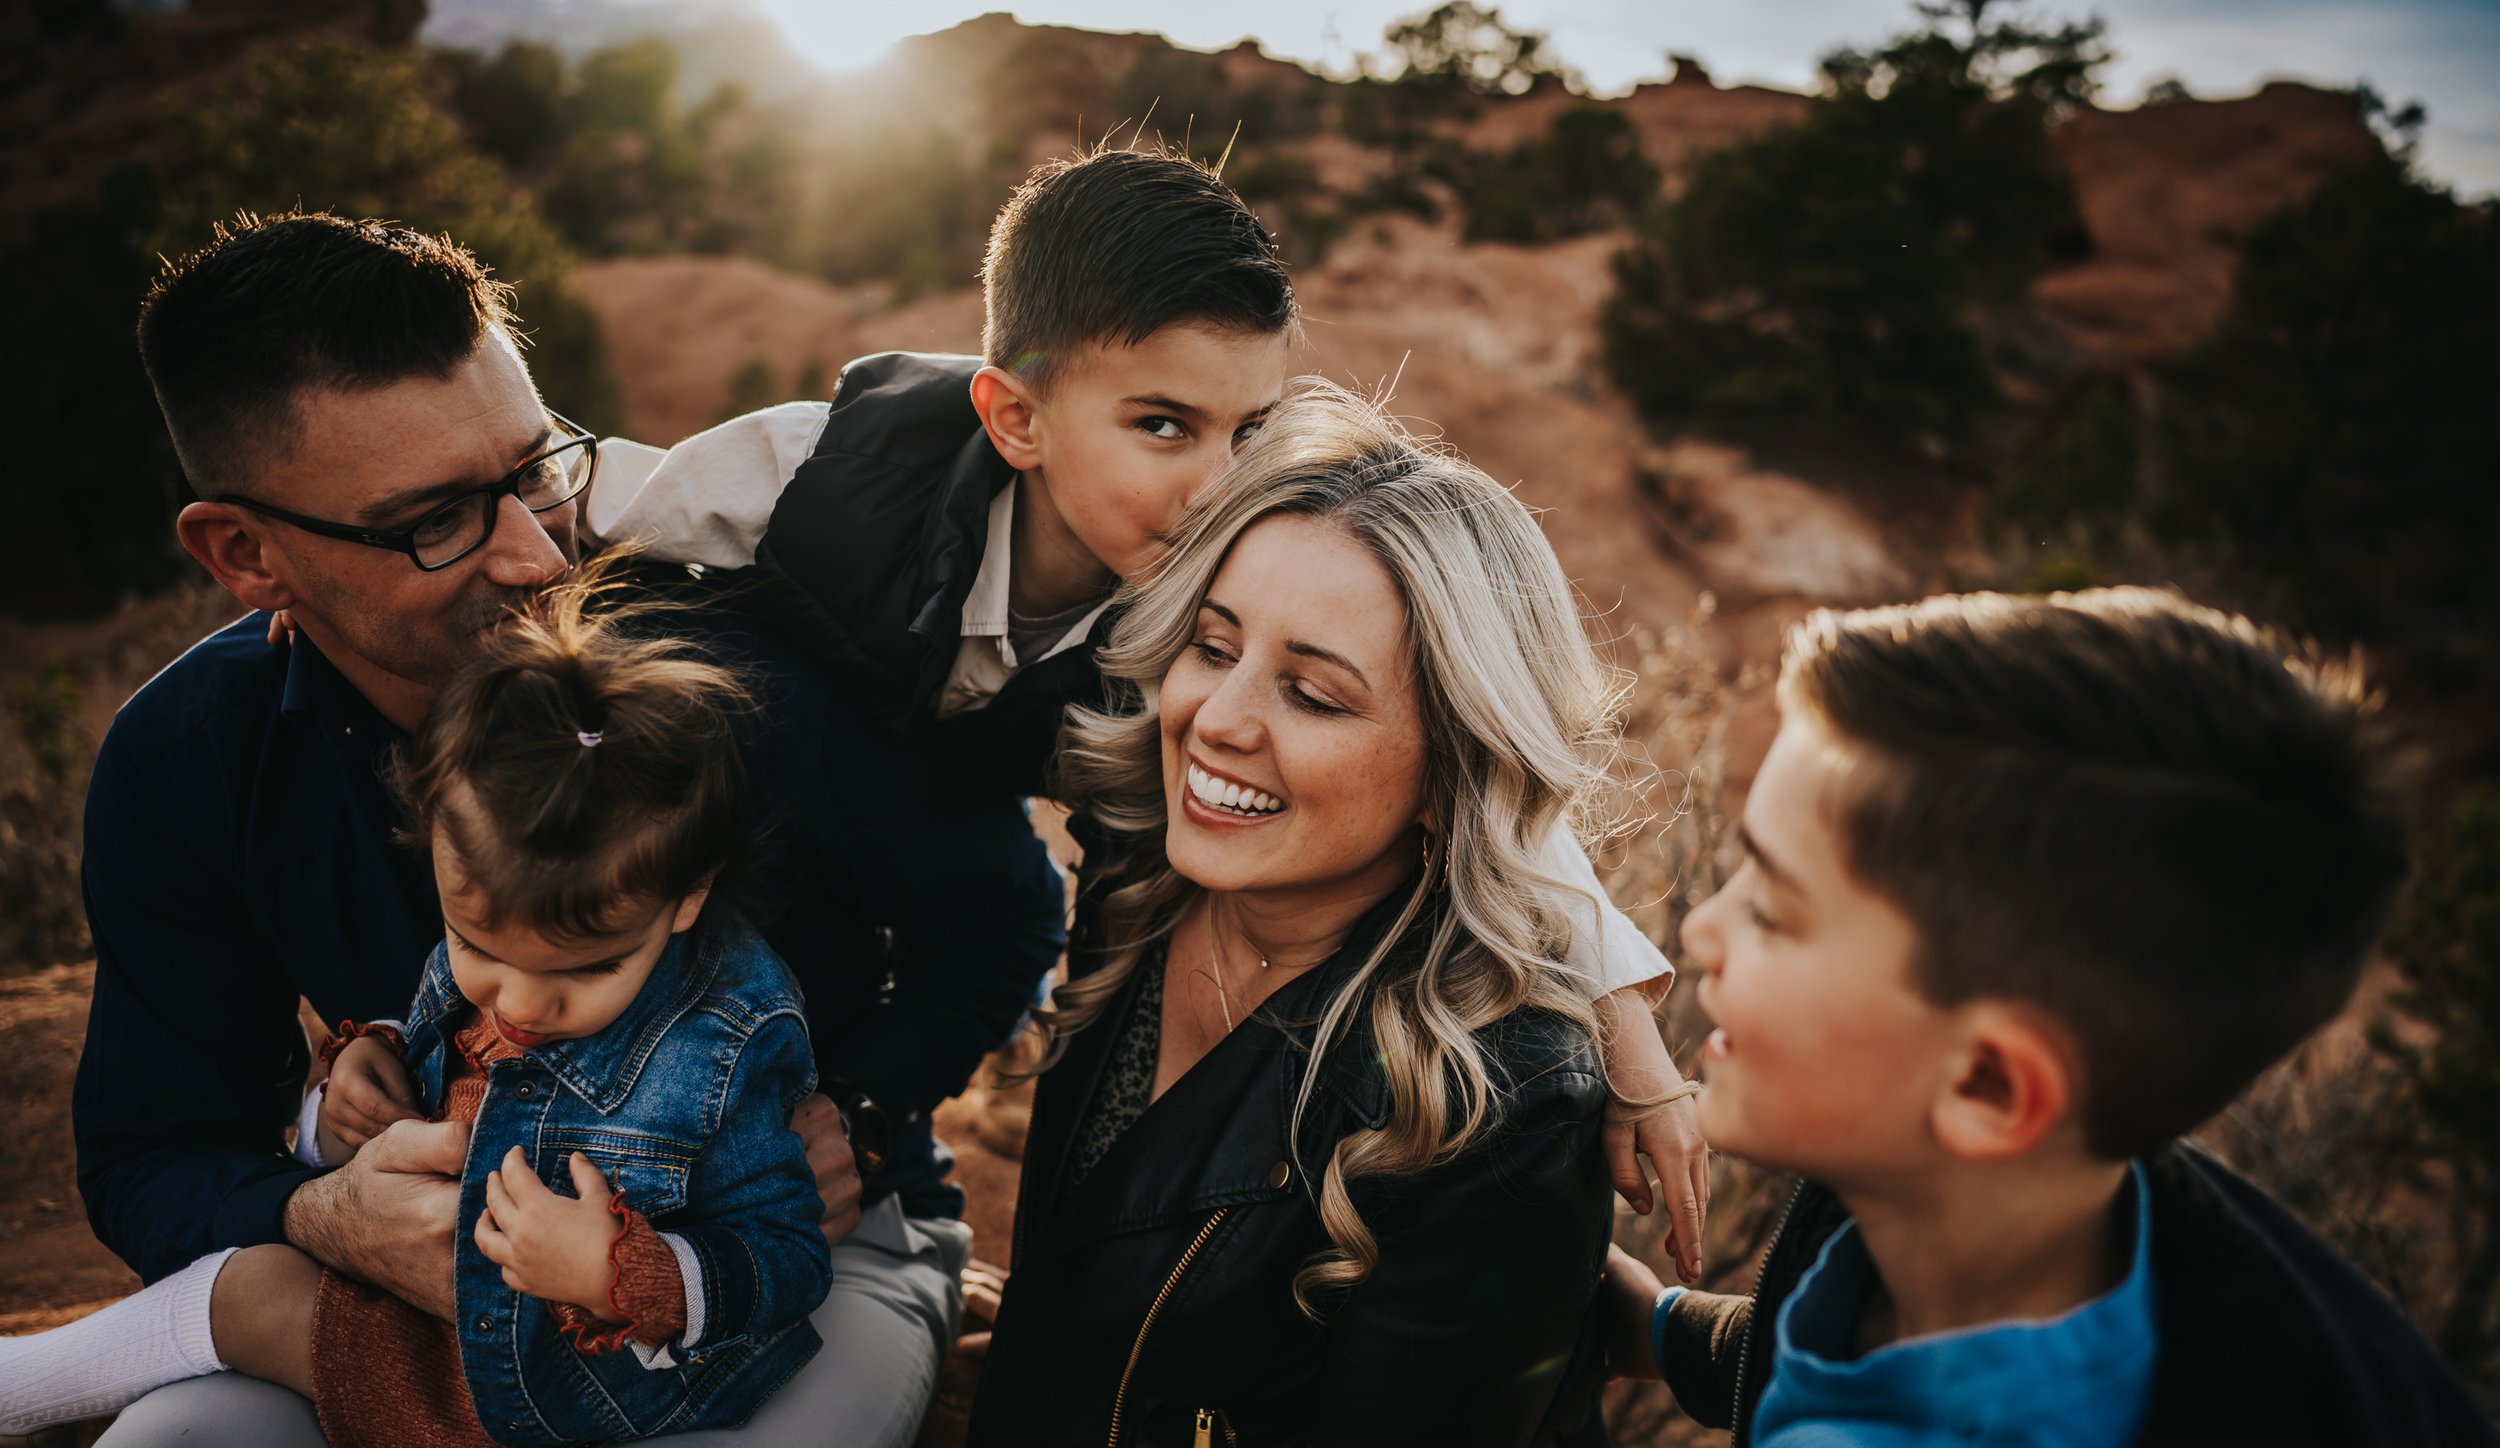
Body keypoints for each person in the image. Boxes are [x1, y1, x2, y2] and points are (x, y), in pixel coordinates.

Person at [3, 213, 1065, 1448]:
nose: (533, 548)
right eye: (435, 518)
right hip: (426, 1298)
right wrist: (324, 1201)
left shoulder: (735, 668)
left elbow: (1001, 911)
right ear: (244, 551)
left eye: (535, 468)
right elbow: (150, 1148)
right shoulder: (187, 759)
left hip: (792, 1250)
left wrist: (857, 1113)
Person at [1197, 588, 2500, 1448]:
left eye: (1771, 905)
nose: (1697, 931)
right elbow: (1853, 1328)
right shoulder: (2044, 1205)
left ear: (1989, 1086)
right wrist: (1664, 1333)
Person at [593, 143, 1711, 1277]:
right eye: (1164, 426)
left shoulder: (1213, 596)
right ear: (1016, 419)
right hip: (752, 814)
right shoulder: (816, 470)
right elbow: (579, 538)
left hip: (949, 869)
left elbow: (1495, 783)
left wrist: (1637, 1058)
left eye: (1249, 429)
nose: (1221, 484)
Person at [801, 385, 1633, 1448]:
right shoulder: (1147, 871)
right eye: (1214, 642)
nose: (1217, 719)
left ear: (1451, 767)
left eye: (1313, 691)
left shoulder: (1503, 1107)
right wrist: (1055, 1338)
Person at [3, 575, 832, 1448]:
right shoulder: (476, 961)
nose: (517, 1003)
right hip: (458, 1313)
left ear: (686, 898)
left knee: (257, 1290)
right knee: (264, 1265)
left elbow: (783, 1256)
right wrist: (355, 1096)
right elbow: (439, 1076)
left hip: (578, 1386)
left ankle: (24, 1389)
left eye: (588, 970)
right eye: (479, 949)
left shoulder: (733, 1038)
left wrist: (626, 1271)